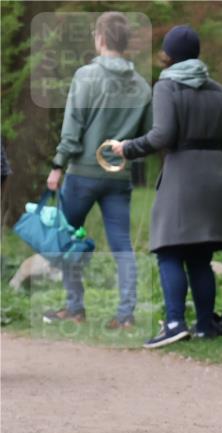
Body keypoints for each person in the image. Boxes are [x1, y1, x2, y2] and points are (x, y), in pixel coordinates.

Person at [110, 25, 222, 349]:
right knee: (200, 255)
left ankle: (174, 323)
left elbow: (162, 135)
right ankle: (206, 326)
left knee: (168, 249)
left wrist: (127, 148)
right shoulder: (218, 91)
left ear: (169, 55)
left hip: (181, 175)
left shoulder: (167, 87)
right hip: (214, 177)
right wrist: (208, 158)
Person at [43, 12, 152, 329]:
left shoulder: (86, 76)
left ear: (101, 39)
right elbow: (148, 135)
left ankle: (75, 307)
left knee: (67, 238)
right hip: (119, 176)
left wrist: (57, 164)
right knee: (122, 245)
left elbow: (72, 126)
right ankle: (126, 314)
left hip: (83, 173)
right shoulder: (143, 87)